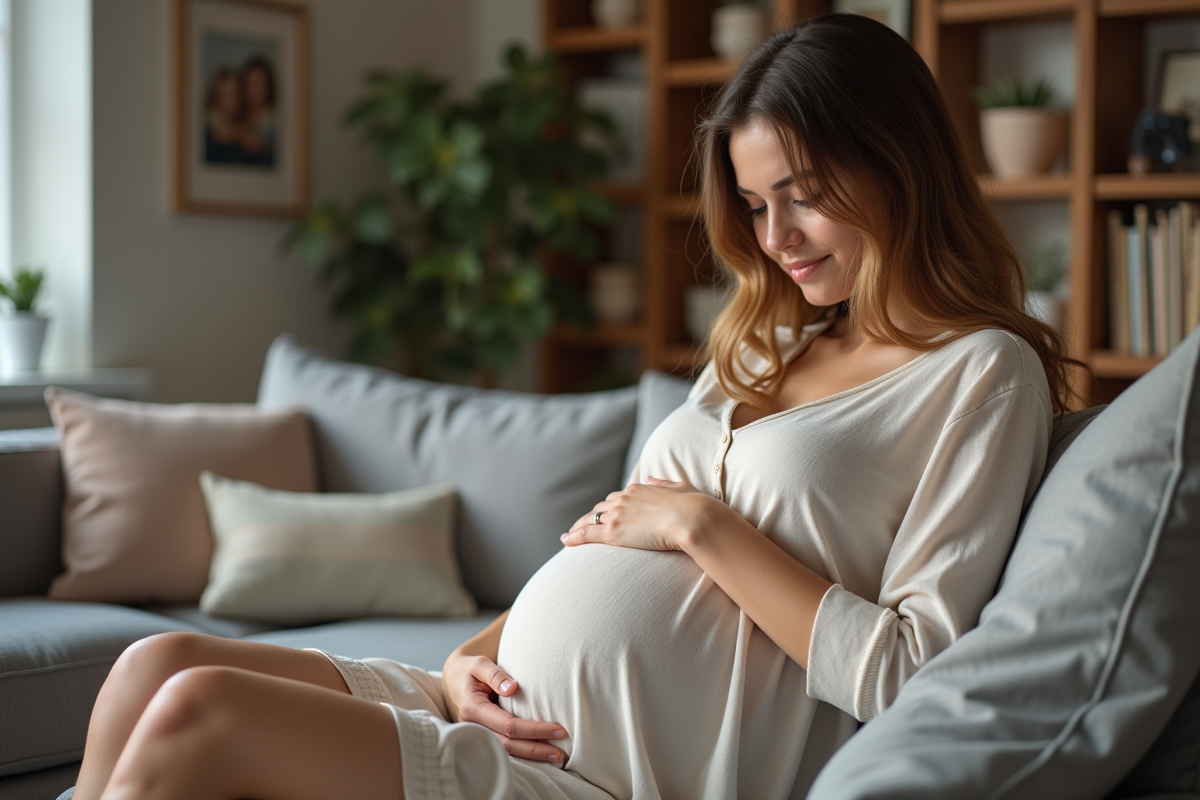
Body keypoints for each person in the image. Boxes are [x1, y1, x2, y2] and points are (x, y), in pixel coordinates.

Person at [69, 14, 1076, 800]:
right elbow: (609, 542)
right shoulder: (769, 345)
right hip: (501, 705)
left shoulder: (980, 375)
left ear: (898, 162)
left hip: (605, 772)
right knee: (150, 664)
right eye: (755, 205)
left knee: (197, 711)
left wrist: (701, 523)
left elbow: (912, 675)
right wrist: (470, 656)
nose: (776, 238)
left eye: (803, 193)